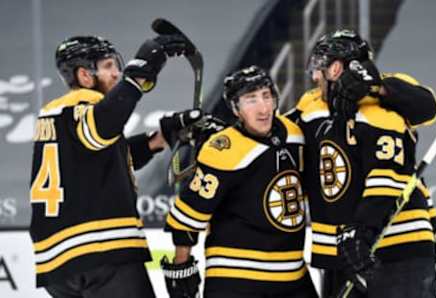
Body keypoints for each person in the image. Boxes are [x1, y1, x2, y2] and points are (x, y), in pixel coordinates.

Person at [29, 32, 204, 298]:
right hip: (99, 249)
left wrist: (162, 137)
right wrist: (139, 73)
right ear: (84, 76)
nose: (117, 73)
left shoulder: (56, 114)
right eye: (108, 66)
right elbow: (103, 126)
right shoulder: (83, 105)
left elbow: (103, 158)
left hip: (59, 265)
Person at [299, 29, 436, 298]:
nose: (315, 76)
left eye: (320, 67)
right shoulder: (310, 103)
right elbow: (274, 134)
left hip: (400, 247)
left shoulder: (386, 98)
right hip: (341, 253)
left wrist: (376, 87)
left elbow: (428, 107)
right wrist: (221, 134)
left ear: (337, 68)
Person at [161, 65, 319, 298]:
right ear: (236, 108)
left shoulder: (294, 134)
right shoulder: (222, 149)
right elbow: (190, 215)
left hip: (292, 274)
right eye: (251, 99)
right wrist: (181, 262)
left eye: (267, 96)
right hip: (235, 276)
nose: (263, 107)